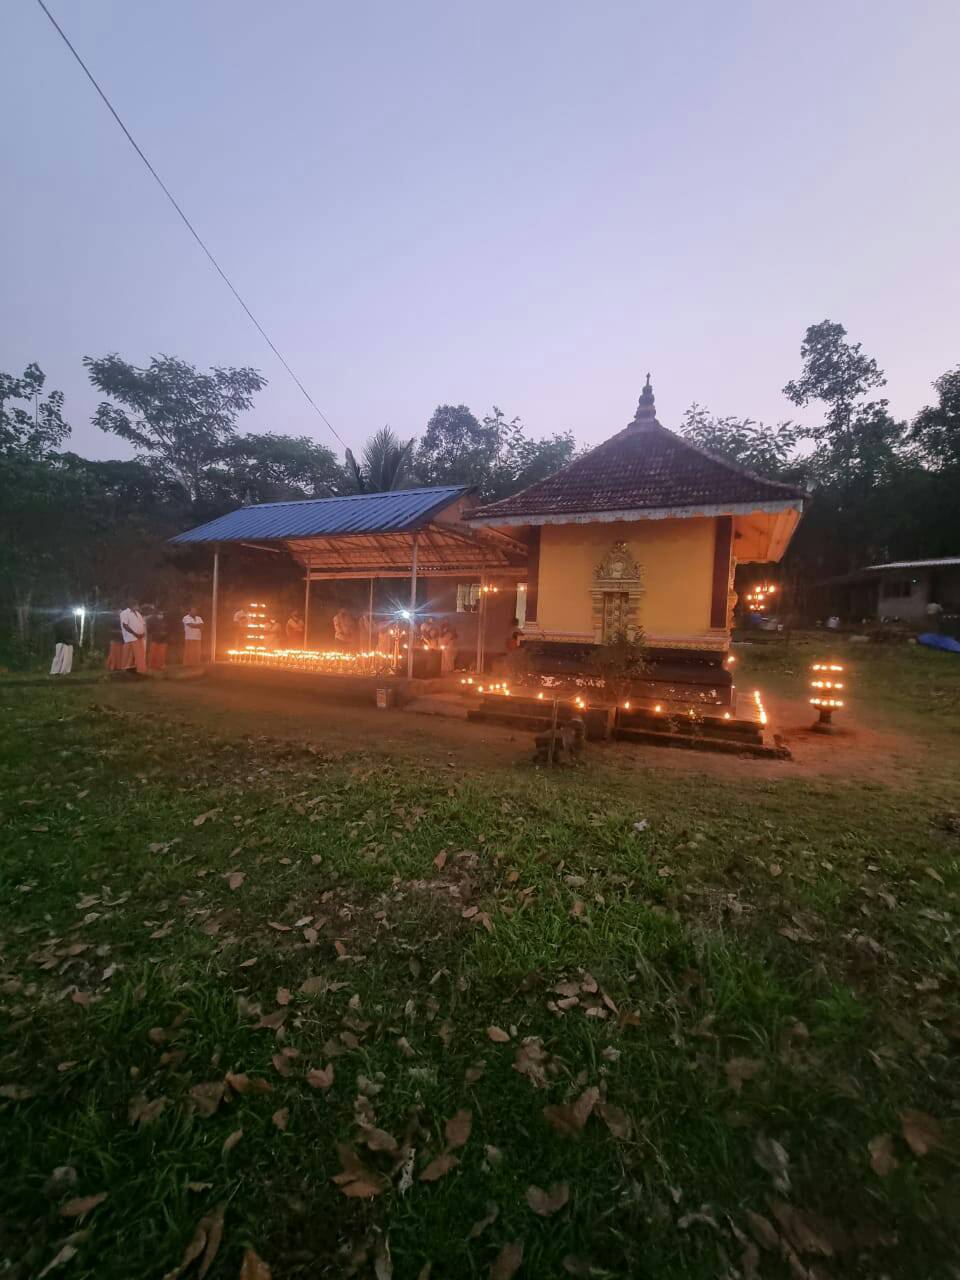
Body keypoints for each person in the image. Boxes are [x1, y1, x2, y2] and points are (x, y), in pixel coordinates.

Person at [119, 600, 148, 674]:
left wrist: (143, 633)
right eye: (136, 605)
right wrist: (135, 634)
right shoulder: (125, 613)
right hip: (131, 637)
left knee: (139, 654)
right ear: (131, 605)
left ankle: (136, 669)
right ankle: (134, 670)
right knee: (131, 654)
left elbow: (142, 624)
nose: (137, 606)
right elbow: (125, 625)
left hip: (139, 637)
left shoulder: (138, 613)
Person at [50, 611, 78, 676]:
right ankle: (56, 671)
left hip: (67, 641)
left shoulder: (68, 624)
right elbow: (60, 632)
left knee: (67, 657)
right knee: (59, 656)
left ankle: (64, 671)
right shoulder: (59, 623)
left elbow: (71, 632)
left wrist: (72, 640)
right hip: (61, 641)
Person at [146, 605, 169, 671]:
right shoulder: (150, 619)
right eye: (159, 613)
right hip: (154, 638)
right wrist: (157, 633)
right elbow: (149, 629)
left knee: (161, 653)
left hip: (162, 639)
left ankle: (160, 665)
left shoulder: (164, 619)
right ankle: (153, 666)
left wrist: (164, 634)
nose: (161, 615)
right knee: (153, 653)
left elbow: (167, 628)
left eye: (161, 613)